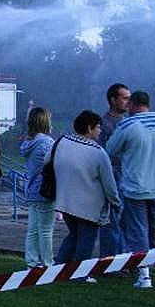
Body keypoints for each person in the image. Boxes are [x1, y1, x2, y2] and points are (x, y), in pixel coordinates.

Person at [52, 110, 120, 281]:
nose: (100, 131)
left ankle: (57, 270)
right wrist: (116, 202)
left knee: (73, 235)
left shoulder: (62, 141)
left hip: (65, 201)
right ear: (89, 128)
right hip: (90, 207)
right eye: (98, 127)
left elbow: (48, 161)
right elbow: (109, 184)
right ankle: (79, 275)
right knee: (86, 241)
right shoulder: (98, 152)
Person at [107, 90, 155, 289]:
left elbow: (110, 149)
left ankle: (144, 275)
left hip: (136, 187)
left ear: (134, 105)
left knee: (138, 231)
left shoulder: (129, 124)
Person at [97, 83, 131, 257]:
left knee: (126, 222)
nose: (128, 102)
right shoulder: (105, 124)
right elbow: (101, 154)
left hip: (129, 177)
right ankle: (109, 262)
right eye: (124, 98)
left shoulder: (128, 122)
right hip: (113, 177)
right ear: (113, 100)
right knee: (112, 222)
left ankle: (124, 260)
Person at [20, 107, 56, 268]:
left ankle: (32, 262)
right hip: (46, 191)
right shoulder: (48, 143)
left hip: (31, 190)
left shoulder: (28, 143)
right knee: (46, 230)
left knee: (33, 229)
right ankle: (48, 262)